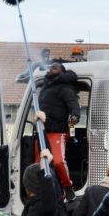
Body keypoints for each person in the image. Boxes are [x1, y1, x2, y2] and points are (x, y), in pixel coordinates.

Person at [36, 61, 80, 201]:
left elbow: (74, 105)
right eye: (50, 67)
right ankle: (45, 192)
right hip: (42, 130)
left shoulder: (65, 88)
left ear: (62, 71)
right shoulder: (44, 87)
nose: (50, 68)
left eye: (54, 67)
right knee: (40, 164)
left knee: (58, 162)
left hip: (58, 131)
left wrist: (75, 116)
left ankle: (68, 186)